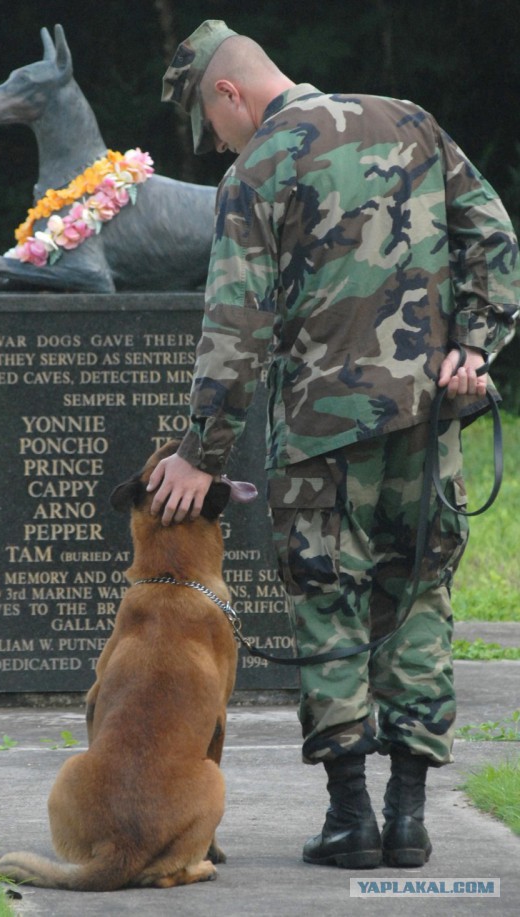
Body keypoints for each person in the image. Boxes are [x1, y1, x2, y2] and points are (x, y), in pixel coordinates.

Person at [149, 19, 520, 869]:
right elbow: (494, 240)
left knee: (329, 604)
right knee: (418, 596)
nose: (217, 145)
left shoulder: (259, 169)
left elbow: (235, 327)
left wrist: (198, 452)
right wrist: (476, 345)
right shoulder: (411, 120)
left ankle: (351, 818)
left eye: (213, 127)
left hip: (320, 438)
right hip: (426, 425)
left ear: (228, 93)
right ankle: (411, 818)